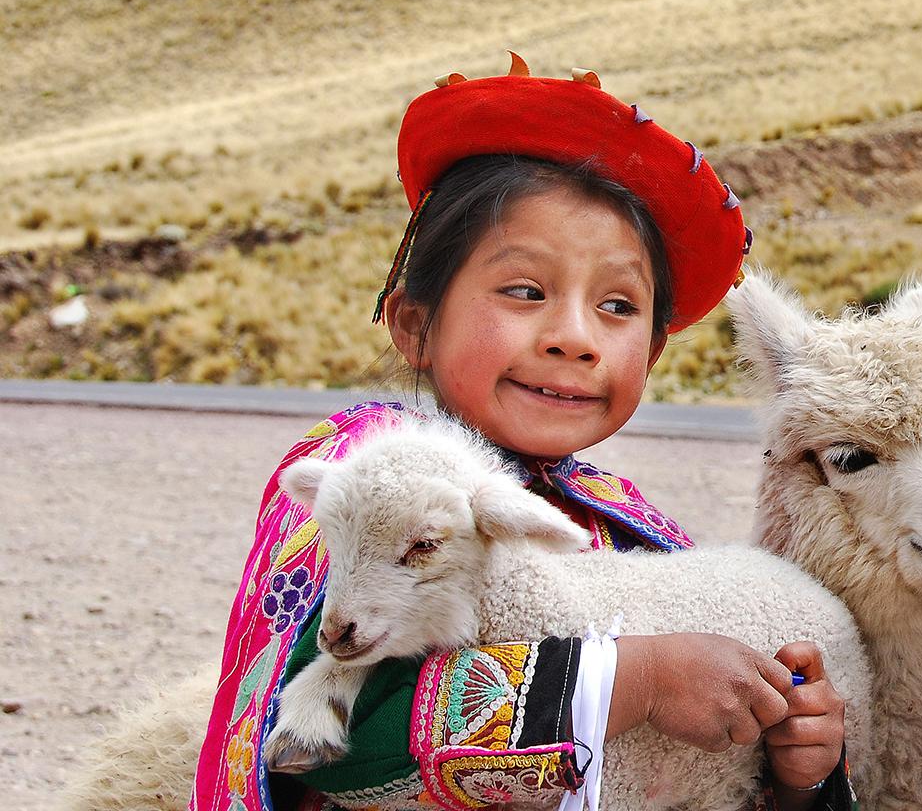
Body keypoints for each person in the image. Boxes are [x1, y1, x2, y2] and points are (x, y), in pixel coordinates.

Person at [192, 57, 851, 811]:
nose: (574, 337)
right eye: (526, 290)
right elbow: (316, 730)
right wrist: (633, 679)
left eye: (617, 306)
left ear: (654, 353)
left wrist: (797, 763)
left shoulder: (623, 526)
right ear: (415, 323)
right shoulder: (362, 476)